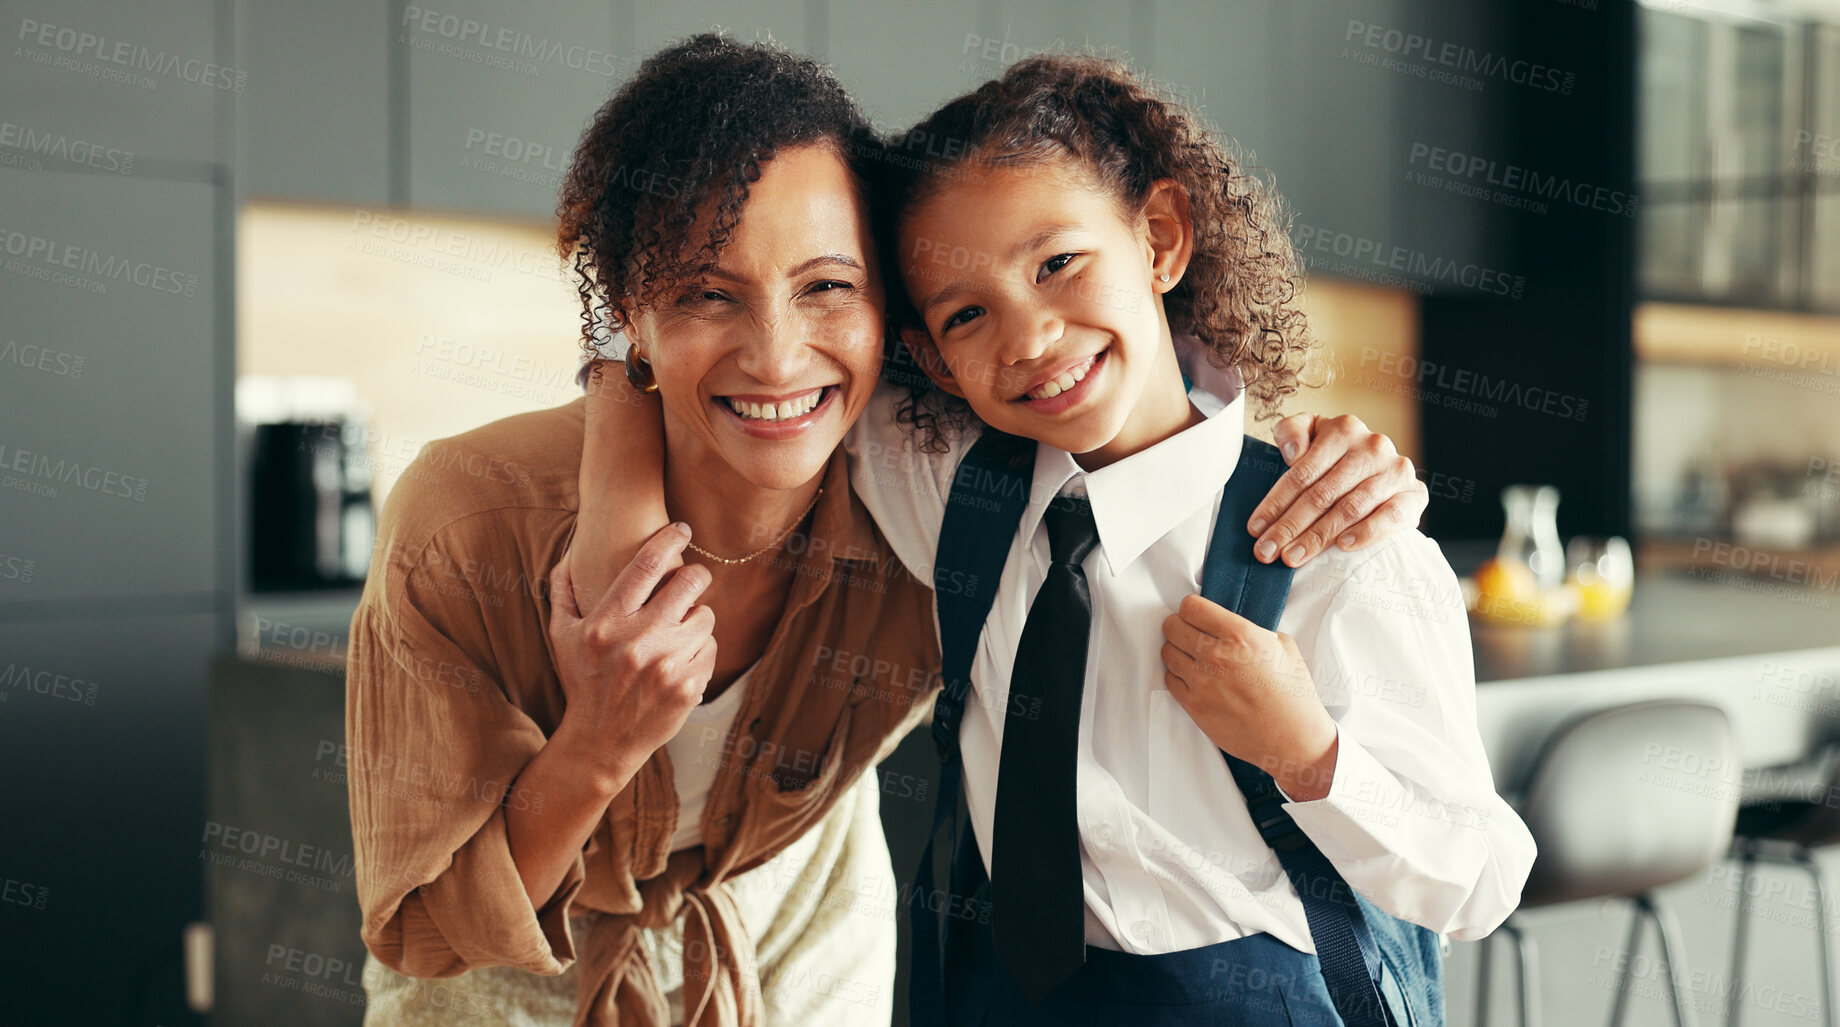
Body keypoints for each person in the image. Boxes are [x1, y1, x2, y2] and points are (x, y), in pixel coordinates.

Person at [350, 34, 1428, 1027]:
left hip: (803, 903)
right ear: (633, 313)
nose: (779, 359)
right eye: (706, 296)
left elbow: (1111, 413)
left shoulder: (916, 483)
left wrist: (1307, 461)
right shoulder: (466, 523)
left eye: (827, 287)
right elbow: (425, 927)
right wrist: (597, 743)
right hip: (517, 963)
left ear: (892, 323)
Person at [852, 54, 1540, 1025]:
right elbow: (747, 345)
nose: (1032, 338)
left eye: (1058, 263)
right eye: (969, 313)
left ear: (1162, 239)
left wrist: (1308, 753)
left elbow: (1482, 878)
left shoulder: (1340, 546)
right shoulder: (941, 485)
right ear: (931, 355)